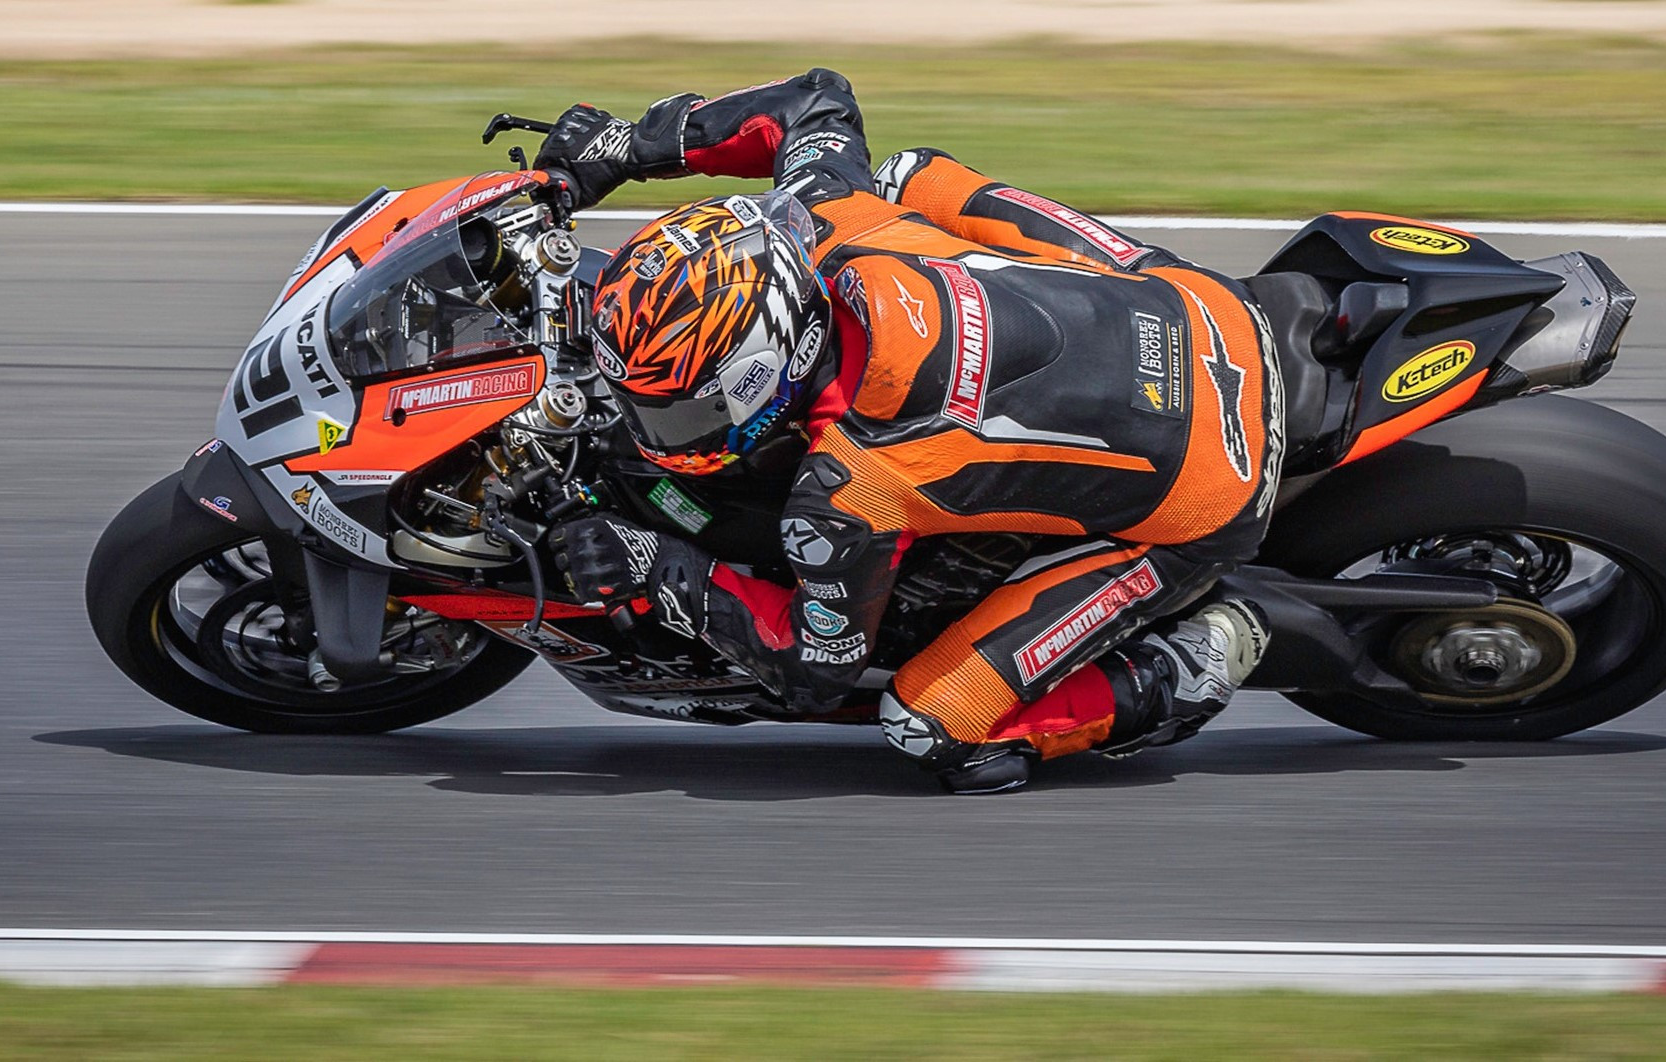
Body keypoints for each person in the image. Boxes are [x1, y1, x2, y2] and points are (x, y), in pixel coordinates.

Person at [541, 69, 1281, 794]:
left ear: (770, 364)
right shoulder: (825, 209)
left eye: (683, 408)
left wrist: (664, 569)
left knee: (932, 724)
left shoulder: (848, 489)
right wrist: (629, 146)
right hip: (1205, 305)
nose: (656, 428)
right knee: (904, 177)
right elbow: (815, 97)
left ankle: (1184, 668)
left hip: (1217, 487)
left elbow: (814, 669)